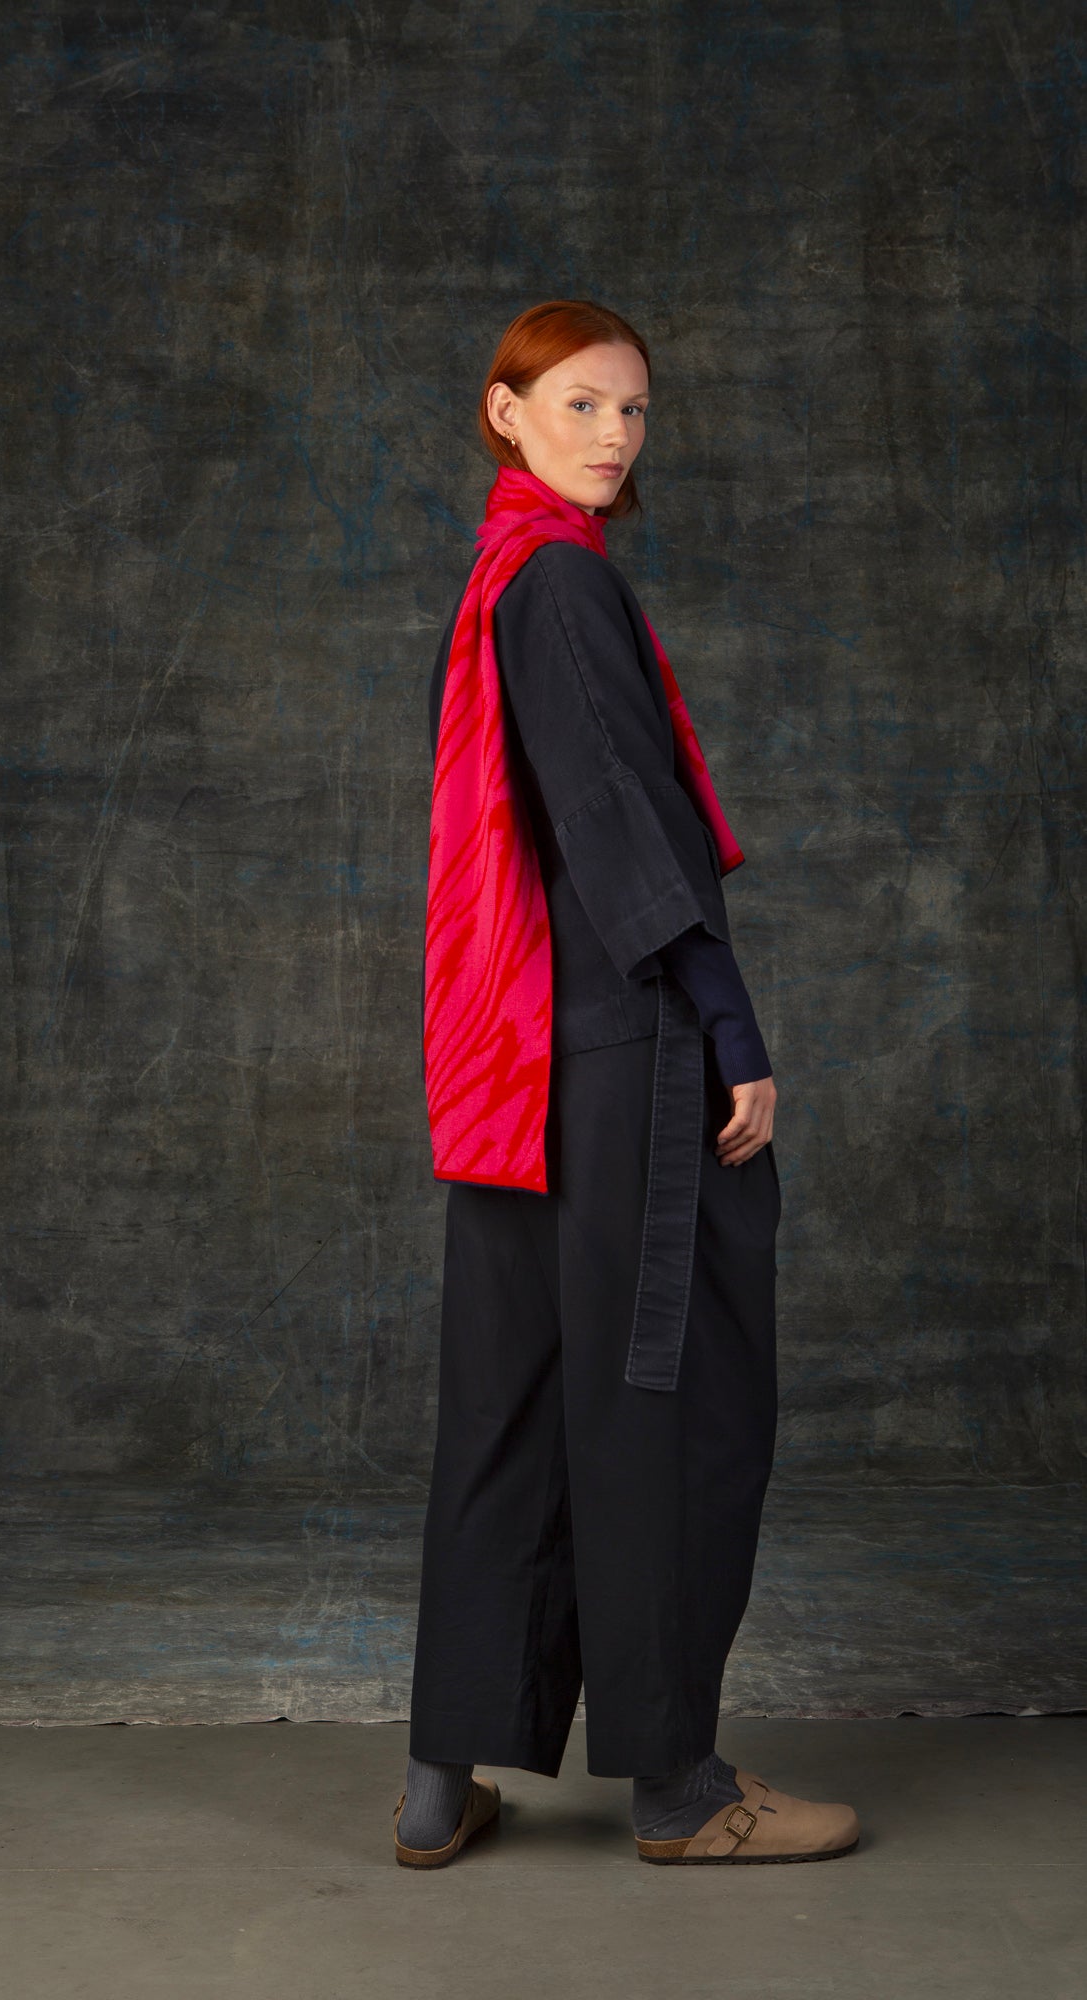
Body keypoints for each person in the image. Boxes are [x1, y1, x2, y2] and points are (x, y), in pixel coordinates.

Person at [393, 300, 860, 1869]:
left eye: (634, 412)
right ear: (503, 411)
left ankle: (438, 1775)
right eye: (579, 404)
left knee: (512, 1400)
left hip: (514, 1059)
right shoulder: (563, 588)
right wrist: (731, 1024)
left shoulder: (502, 581)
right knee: (668, 1402)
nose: (611, 436)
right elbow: (618, 832)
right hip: (626, 1051)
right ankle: (677, 1789)